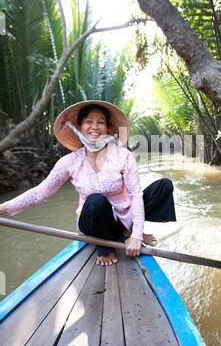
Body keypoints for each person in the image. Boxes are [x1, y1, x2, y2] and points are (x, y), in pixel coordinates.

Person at [0, 100, 176, 266]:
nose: (94, 127)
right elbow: (41, 192)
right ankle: (105, 249)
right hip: (93, 221)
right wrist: (3, 208)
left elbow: (135, 194)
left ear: (108, 128)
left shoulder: (123, 156)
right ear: (79, 127)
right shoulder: (70, 161)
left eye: (100, 122)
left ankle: (127, 231)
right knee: (96, 200)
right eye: (88, 121)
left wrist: (137, 235)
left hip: (123, 218)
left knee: (164, 186)